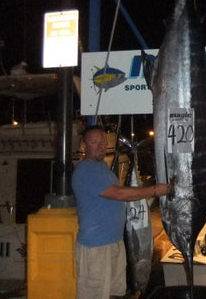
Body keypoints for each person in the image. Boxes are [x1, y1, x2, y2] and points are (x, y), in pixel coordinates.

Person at [72, 125, 171, 299]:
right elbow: (119, 193)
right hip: (96, 248)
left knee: (115, 293)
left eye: (103, 141)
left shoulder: (102, 168)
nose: (101, 145)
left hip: (115, 243)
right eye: (94, 142)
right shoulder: (85, 170)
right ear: (83, 146)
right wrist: (155, 191)